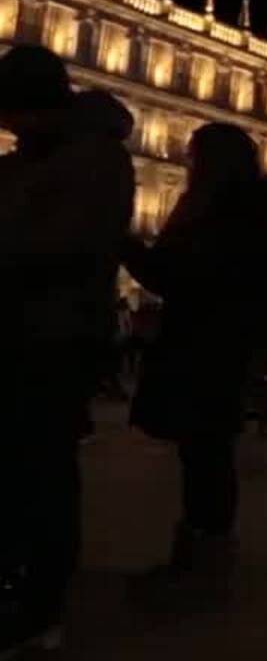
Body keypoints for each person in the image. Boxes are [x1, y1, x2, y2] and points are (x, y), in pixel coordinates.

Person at [122, 123, 267, 588]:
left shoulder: (215, 215)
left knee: (203, 452)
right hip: (230, 343)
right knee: (208, 451)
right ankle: (207, 552)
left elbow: (175, 275)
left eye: (193, 154)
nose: (186, 160)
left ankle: (201, 560)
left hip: (201, 339)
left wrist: (124, 244)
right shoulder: (253, 215)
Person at [0, 47, 135, 654]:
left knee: (42, 468)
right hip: (22, 330)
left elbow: (69, 244)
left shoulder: (94, 160)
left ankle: (40, 603)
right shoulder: (32, 159)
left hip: (54, 334)